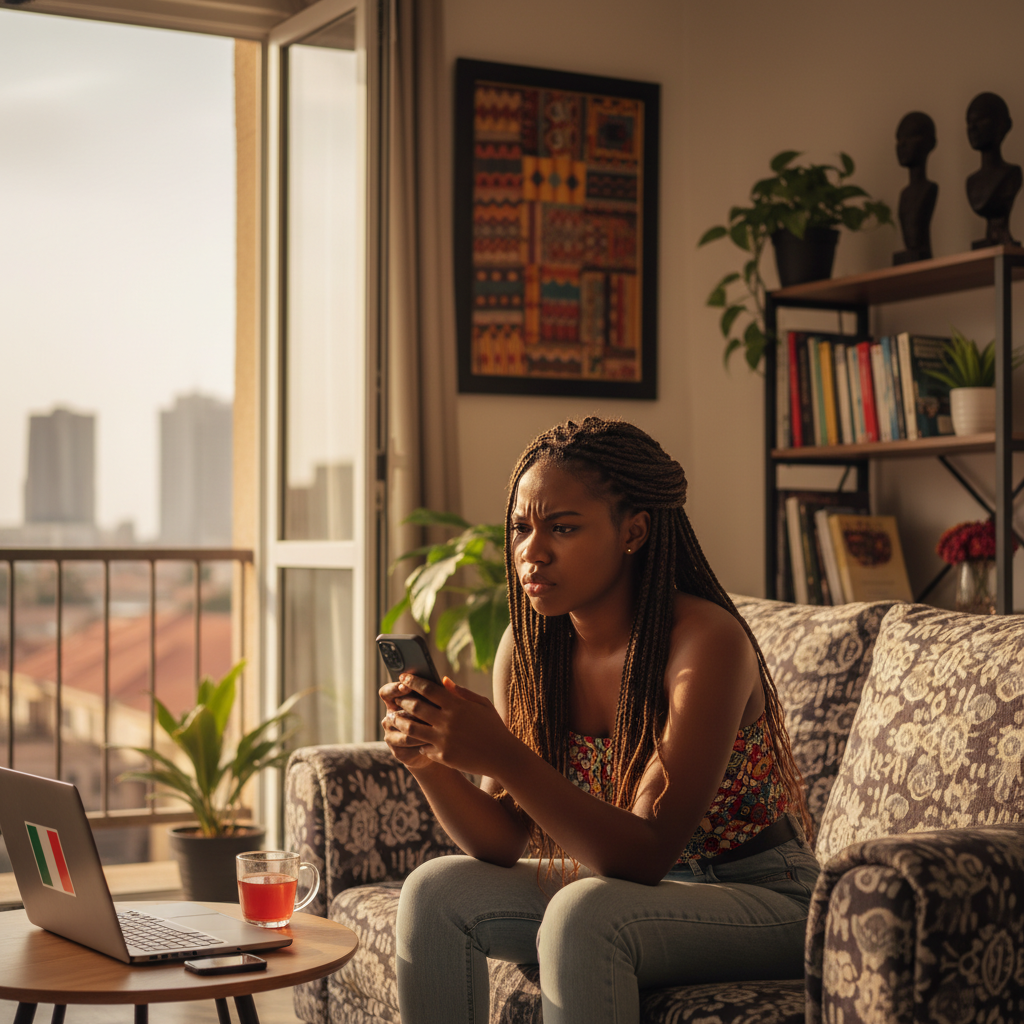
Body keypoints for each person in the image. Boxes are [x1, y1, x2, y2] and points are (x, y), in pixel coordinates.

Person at [380, 417, 819, 1024]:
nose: (532, 552)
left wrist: (504, 755)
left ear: (633, 532)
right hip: (627, 894)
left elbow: (646, 855)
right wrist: (430, 761)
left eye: (562, 528)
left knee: (583, 914)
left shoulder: (705, 643)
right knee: (435, 891)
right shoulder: (529, 650)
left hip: (765, 897)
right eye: (521, 529)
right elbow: (503, 838)